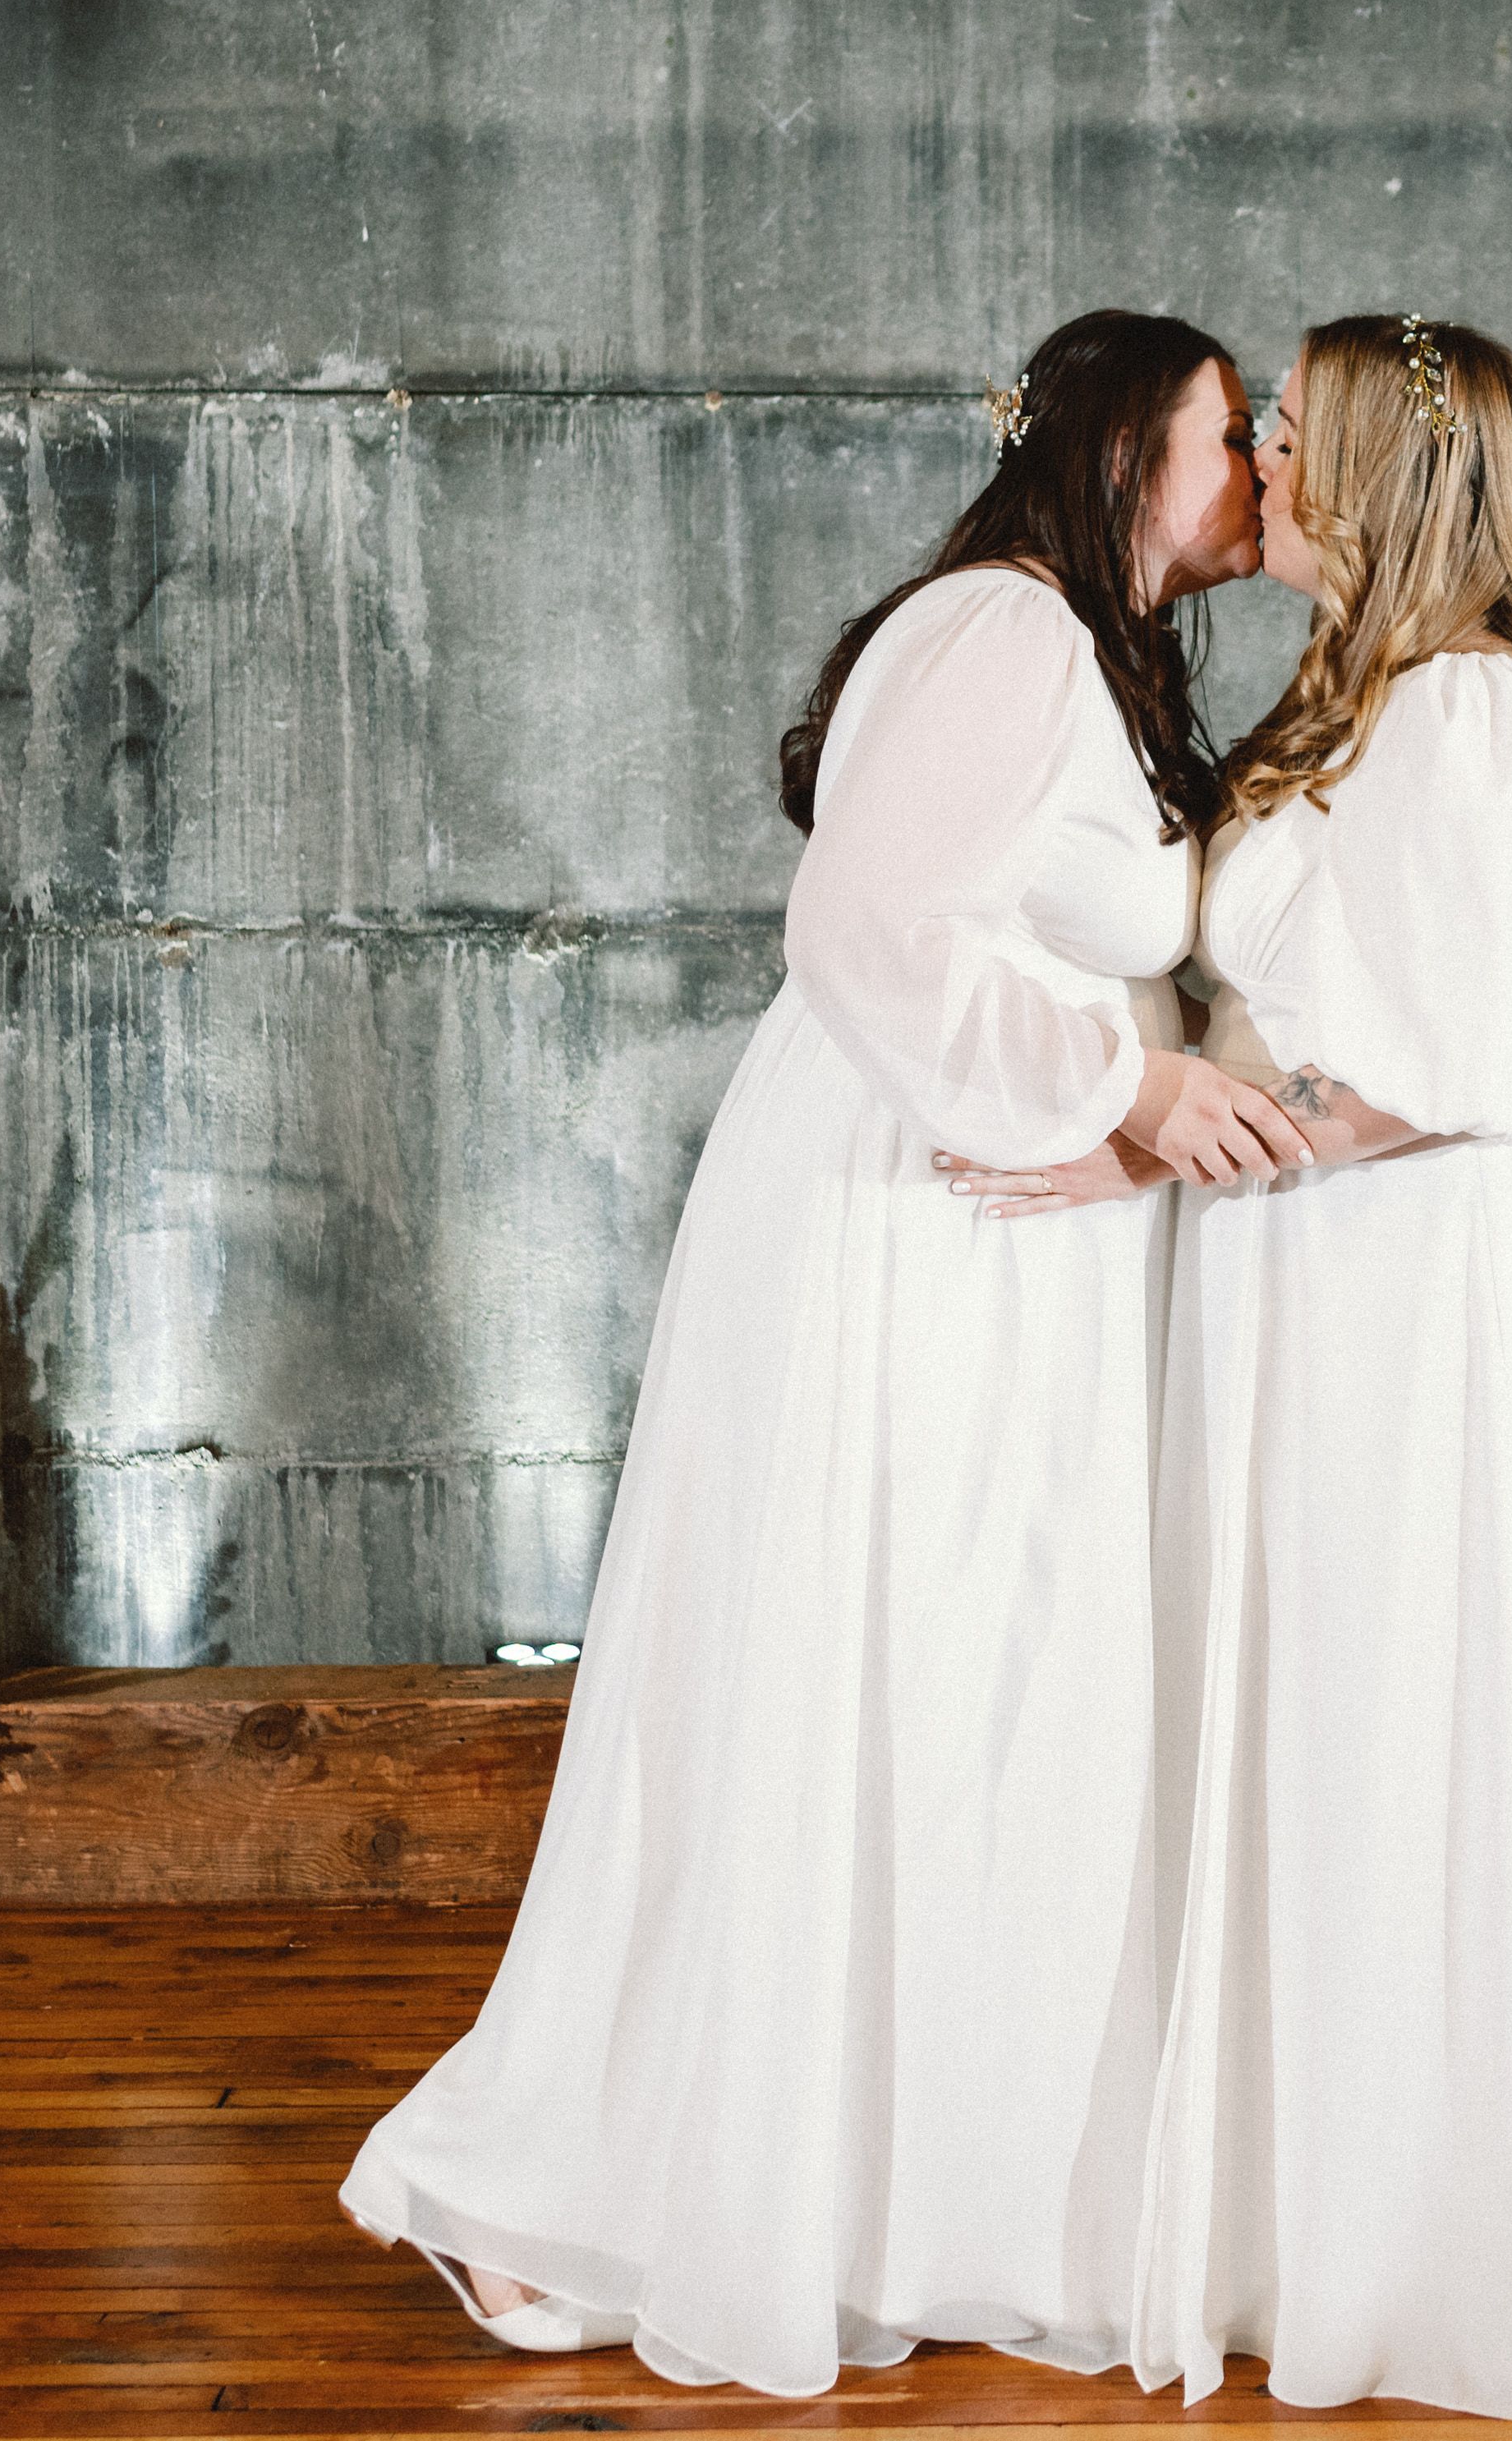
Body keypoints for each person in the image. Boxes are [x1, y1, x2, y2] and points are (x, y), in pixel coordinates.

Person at [343, 310, 1314, 2393]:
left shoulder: (1088, 645)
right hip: (916, 1229)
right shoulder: (999, 632)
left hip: (1000, 1223)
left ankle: (900, 2190)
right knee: (862, 1679)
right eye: (1235, 436)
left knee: (961, 1701)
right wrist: (1125, 1097)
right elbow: (862, 935)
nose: (1263, 472)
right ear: (1134, 445)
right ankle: (560, 2182)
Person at [947, 311, 1512, 2420]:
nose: (1257, 454)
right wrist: (1163, 1127)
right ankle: (1297, 2207)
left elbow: (1454, 1063)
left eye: (1287, 424)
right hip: (1315, 1265)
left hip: (1414, 1291)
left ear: (1387, 465)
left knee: (1403, 1712)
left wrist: (1155, 1151)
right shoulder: (1361, 699)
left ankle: (1427, 2246)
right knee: (1307, 1716)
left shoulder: (1472, 714)